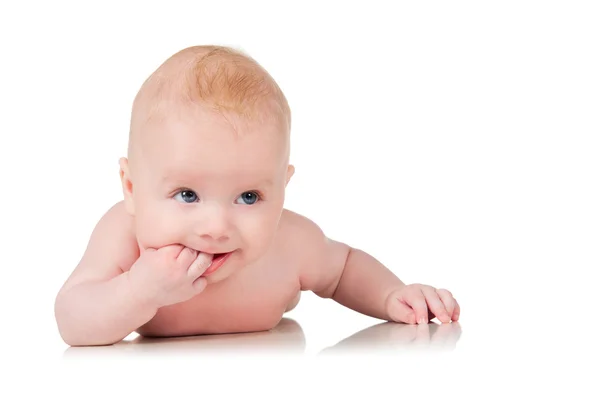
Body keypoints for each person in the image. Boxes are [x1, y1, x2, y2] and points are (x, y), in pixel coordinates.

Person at [54, 45, 460, 346]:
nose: (215, 228)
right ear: (132, 189)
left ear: (282, 188)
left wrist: (391, 295)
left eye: (248, 197)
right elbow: (72, 320)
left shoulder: (289, 243)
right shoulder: (125, 239)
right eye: (187, 194)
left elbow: (343, 270)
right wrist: (137, 291)